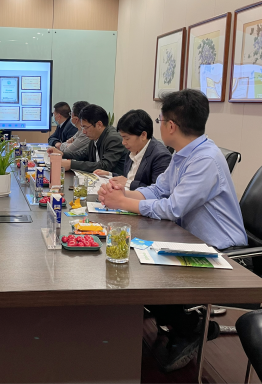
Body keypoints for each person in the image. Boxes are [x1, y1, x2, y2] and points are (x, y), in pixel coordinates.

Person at [98, 90, 248, 373]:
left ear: (170, 125)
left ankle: (189, 328)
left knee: (144, 272)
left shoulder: (205, 159)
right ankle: (185, 325)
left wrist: (125, 203)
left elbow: (173, 208)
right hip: (193, 240)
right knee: (137, 261)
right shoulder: (182, 154)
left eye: (160, 120)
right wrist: (124, 193)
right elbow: (158, 190)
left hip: (223, 251)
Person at [95, 109, 171, 189]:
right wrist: (109, 175)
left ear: (143, 135)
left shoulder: (161, 156)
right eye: (122, 138)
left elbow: (158, 191)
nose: (123, 142)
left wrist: (128, 183)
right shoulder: (133, 149)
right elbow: (129, 177)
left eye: (127, 138)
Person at [48, 104, 127, 175]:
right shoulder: (95, 136)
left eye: (85, 127)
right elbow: (84, 154)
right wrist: (62, 154)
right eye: (82, 127)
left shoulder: (113, 139)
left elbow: (104, 166)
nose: (84, 132)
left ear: (99, 125)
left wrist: (70, 164)